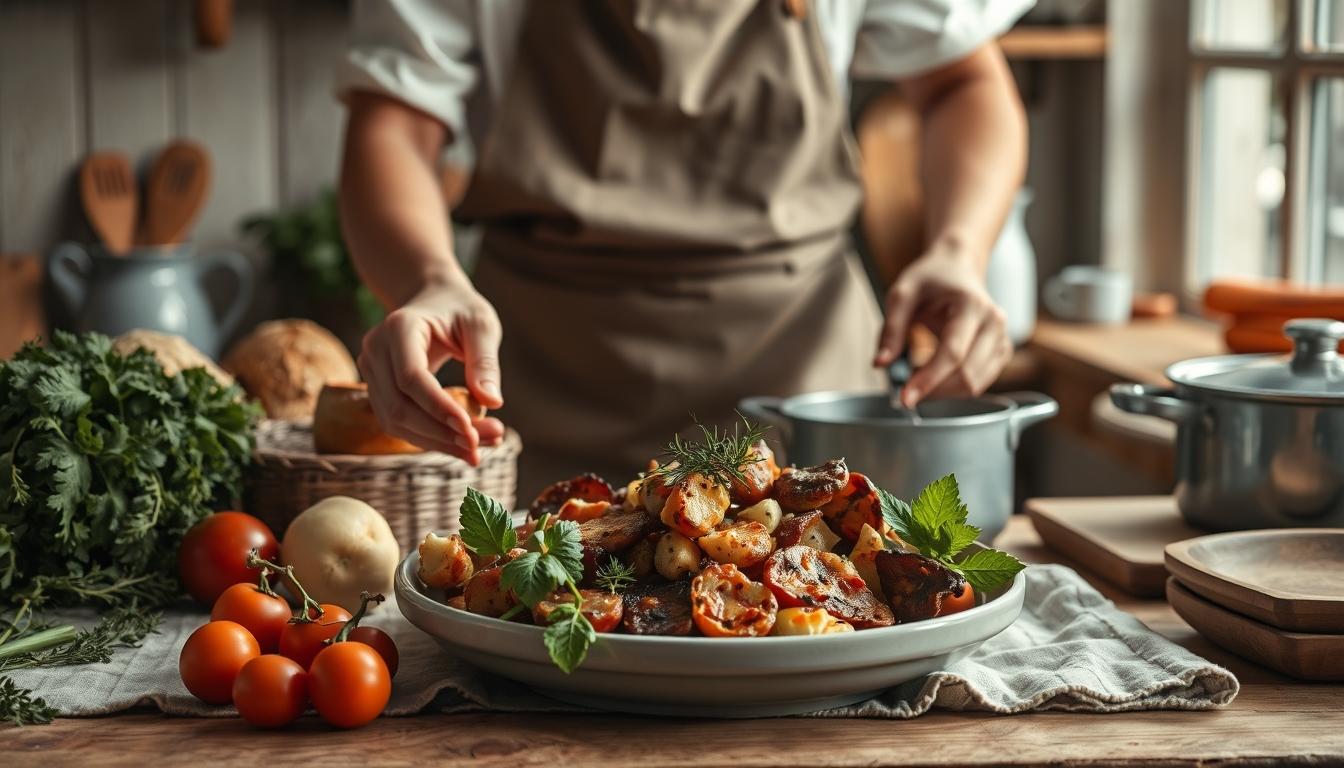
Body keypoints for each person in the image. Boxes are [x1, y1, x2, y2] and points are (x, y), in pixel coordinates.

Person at [338, 0, 1030, 493]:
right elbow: (393, 128)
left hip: (800, 378)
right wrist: (430, 279)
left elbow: (963, 83)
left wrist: (959, 251)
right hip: (543, 389)